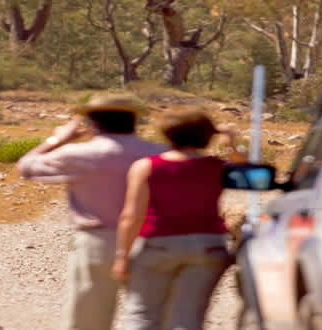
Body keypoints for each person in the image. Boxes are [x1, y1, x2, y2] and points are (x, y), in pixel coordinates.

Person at [17, 95, 167, 330]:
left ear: (93, 123)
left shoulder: (79, 154)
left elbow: (27, 167)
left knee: (88, 319)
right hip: (152, 239)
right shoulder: (160, 153)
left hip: (97, 242)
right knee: (149, 317)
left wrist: (58, 139)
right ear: (134, 120)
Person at [112, 110, 242, 330]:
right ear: (208, 135)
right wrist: (231, 142)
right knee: (188, 318)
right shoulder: (218, 166)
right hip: (207, 246)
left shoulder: (147, 166)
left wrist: (122, 255)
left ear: (166, 134)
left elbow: (131, 216)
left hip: (158, 245)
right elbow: (251, 170)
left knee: (143, 314)